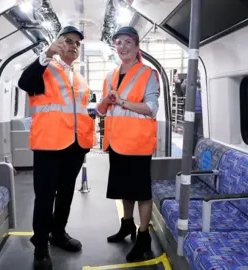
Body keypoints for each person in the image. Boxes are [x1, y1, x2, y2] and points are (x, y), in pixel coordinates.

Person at [18, 25, 95, 270]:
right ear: (58, 43)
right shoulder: (45, 68)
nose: (73, 46)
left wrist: (84, 143)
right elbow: (24, 82)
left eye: (77, 44)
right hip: (49, 145)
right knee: (44, 197)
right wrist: (47, 54)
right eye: (68, 41)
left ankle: (58, 234)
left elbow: (80, 112)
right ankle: (40, 245)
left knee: (66, 195)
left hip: (74, 146)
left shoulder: (79, 78)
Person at [96, 26, 160, 262]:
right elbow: (101, 111)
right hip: (116, 143)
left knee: (141, 192)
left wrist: (122, 101)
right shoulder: (110, 76)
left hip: (138, 143)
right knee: (125, 189)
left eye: (127, 42)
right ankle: (127, 225)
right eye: (118, 42)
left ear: (136, 46)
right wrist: (106, 100)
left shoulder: (148, 74)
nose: (122, 47)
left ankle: (143, 236)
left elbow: (151, 108)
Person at [174, 73, 203, 152]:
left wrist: (200, 84)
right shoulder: (187, 81)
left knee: (201, 138)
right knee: (190, 137)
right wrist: (177, 83)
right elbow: (179, 94)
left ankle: (198, 156)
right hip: (189, 113)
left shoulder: (204, 80)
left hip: (203, 115)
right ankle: (190, 158)